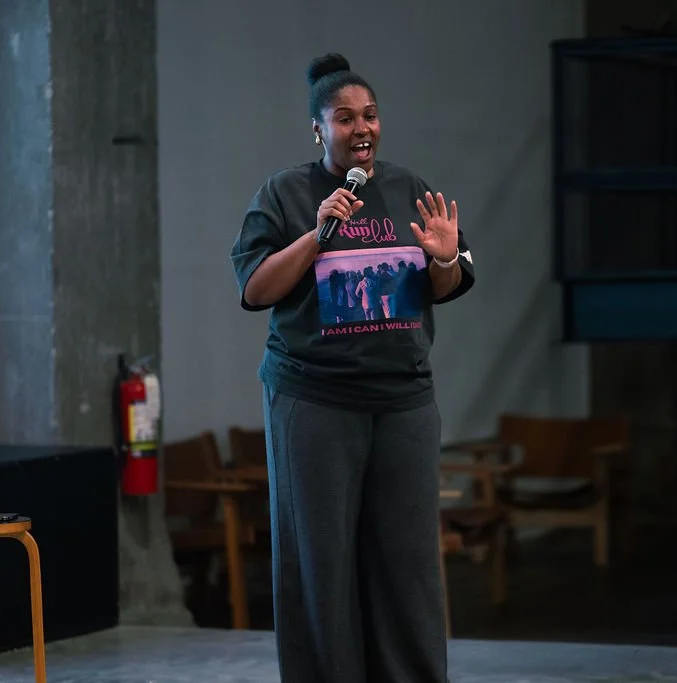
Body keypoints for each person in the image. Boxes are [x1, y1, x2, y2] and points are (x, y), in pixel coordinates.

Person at [229, 52, 475, 683]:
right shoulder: (285, 193)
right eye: (344, 118)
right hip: (315, 402)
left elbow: (445, 284)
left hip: (403, 403)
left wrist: (444, 259)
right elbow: (256, 289)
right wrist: (318, 235)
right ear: (319, 130)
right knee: (321, 564)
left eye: (369, 115)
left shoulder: (408, 188)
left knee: (408, 565)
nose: (361, 128)